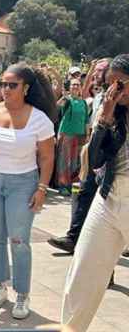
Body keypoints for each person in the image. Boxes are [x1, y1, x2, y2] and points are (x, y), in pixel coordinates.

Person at [0, 62, 56, 319]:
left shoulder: (39, 119)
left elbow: (47, 157)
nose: (5, 89)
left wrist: (41, 188)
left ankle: (22, 295)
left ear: (25, 88)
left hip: (23, 183)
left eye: (12, 85)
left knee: (18, 241)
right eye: (3, 84)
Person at [61, 55, 129, 332]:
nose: (114, 88)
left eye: (120, 82)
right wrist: (104, 119)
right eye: (110, 83)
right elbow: (98, 160)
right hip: (110, 195)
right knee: (82, 274)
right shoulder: (110, 108)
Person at [48, 59, 112, 253]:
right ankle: (74, 237)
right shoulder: (91, 98)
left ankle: (83, 242)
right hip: (91, 143)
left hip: (104, 150)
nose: (96, 77)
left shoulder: (91, 101)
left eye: (101, 73)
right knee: (84, 191)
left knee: (97, 197)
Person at [55, 78, 89, 196]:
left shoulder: (83, 102)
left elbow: (86, 120)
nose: (75, 87)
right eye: (73, 85)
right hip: (67, 135)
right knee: (64, 161)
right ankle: (62, 185)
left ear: (81, 87)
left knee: (75, 163)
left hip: (79, 136)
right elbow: (57, 107)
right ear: (69, 87)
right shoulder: (67, 100)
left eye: (78, 85)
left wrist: (87, 135)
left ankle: (72, 186)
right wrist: (65, 97)